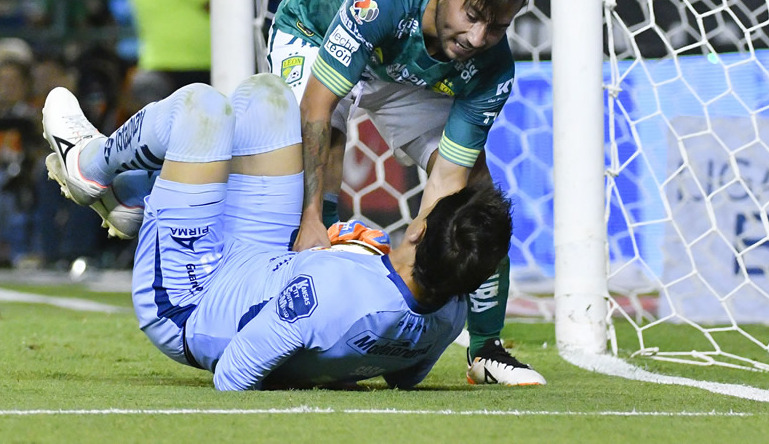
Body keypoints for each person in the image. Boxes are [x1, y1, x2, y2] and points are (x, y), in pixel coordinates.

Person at [40, 73, 513, 390]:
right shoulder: (451, 311)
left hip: (190, 298)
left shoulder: (331, 294)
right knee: (269, 98)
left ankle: (90, 167)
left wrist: (330, 283)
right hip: (262, 262)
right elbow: (405, 377)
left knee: (200, 109)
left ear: (418, 231)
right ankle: (139, 198)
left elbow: (234, 373)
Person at [265, 0, 546, 386]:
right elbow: (316, 108)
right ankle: (302, 292)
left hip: (396, 74)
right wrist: (313, 216)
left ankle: (486, 350)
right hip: (314, 32)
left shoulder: (492, 68)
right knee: (325, 141)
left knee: (476, 194)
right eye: (472, 15)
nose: (478, 37)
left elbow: (448, 180)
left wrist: (421, 263)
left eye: (497, 26)